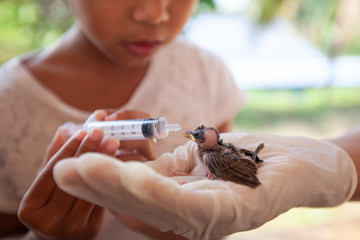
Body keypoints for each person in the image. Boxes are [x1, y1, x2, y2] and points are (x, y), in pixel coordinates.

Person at [0, 0, 244, 239]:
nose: (155, 13)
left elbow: (218, 224)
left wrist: (161, 215)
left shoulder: (204, 72)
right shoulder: (8, 101)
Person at [52, 123, 360, 240]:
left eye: (198, 136)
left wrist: (321, 163)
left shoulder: (212, 156)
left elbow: (232, 172)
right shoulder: (210, 152)